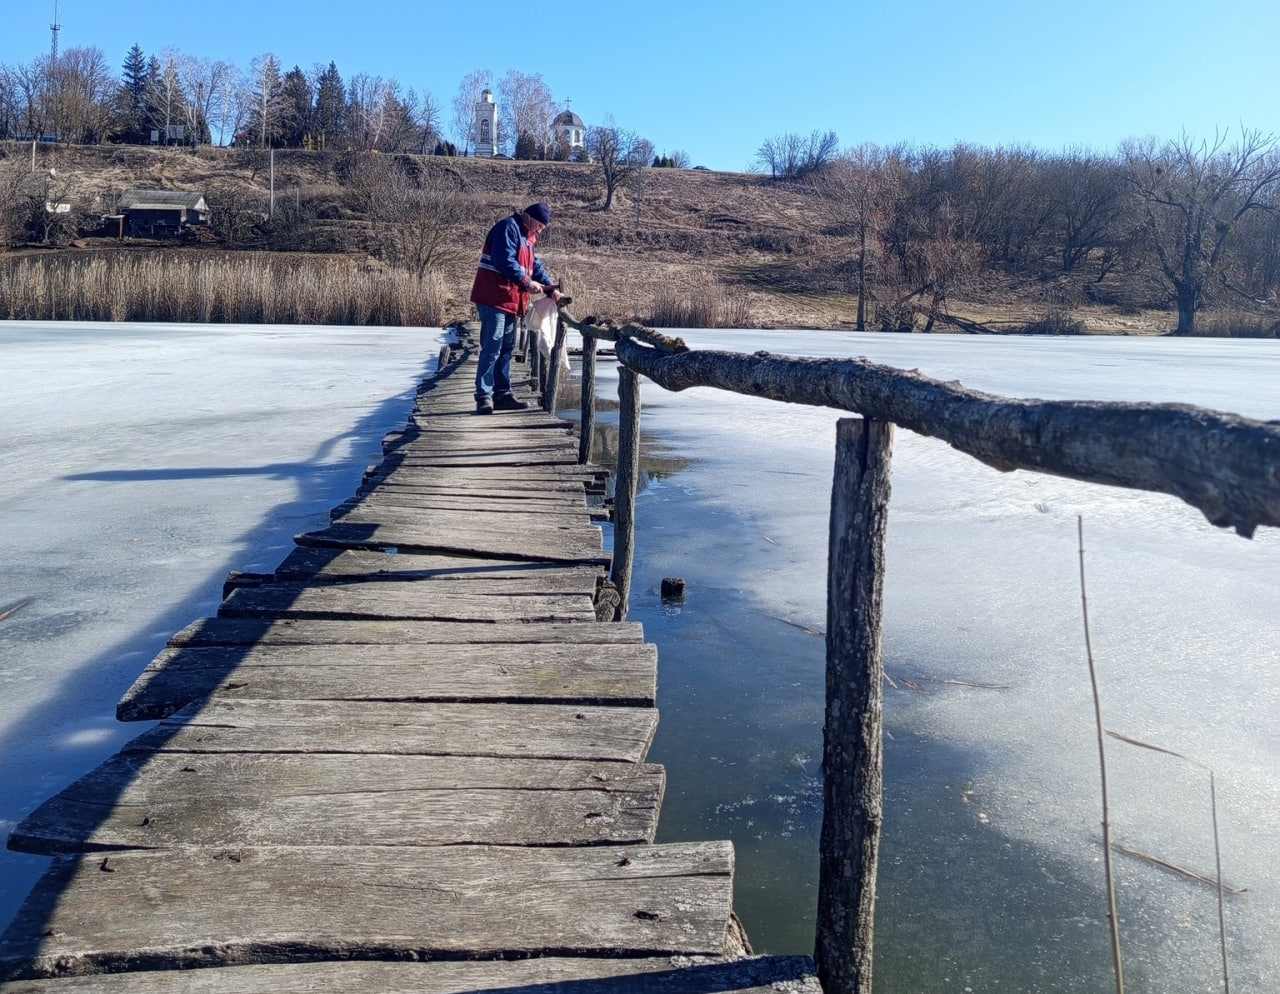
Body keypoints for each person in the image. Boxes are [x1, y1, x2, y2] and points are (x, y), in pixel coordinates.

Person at [469, 202, 562, 414]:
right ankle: (484, 396)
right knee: (493, 346)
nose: (540, 231)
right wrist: (527, 282)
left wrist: (551, 290)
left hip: (510, 300)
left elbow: (534, 266)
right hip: (493, 297)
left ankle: (502, 394)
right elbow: (504, 260)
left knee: (506, 348)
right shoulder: (507, 228)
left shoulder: (527, 237)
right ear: (530, 218)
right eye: (540, 226)